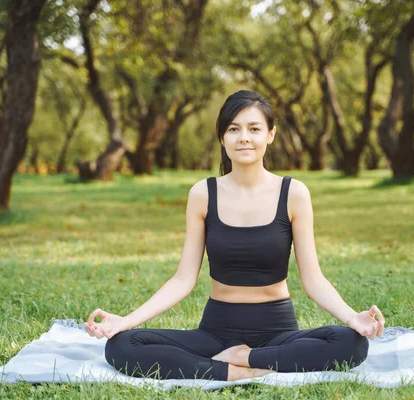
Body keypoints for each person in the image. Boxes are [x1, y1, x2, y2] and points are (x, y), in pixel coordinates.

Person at [85, 90, 385, 382]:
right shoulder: (203, 194)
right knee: (121, 346)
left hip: (278, 332)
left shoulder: (293, 193)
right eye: (234, 128)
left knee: (353, 343)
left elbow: (313, 279)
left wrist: (351, 318)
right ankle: (228, 369)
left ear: (270, 134)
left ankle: (246, 358)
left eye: (254, 128)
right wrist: (125, 322)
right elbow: (183, 279)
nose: (244, 137)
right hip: (216, 332)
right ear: (222, 137)